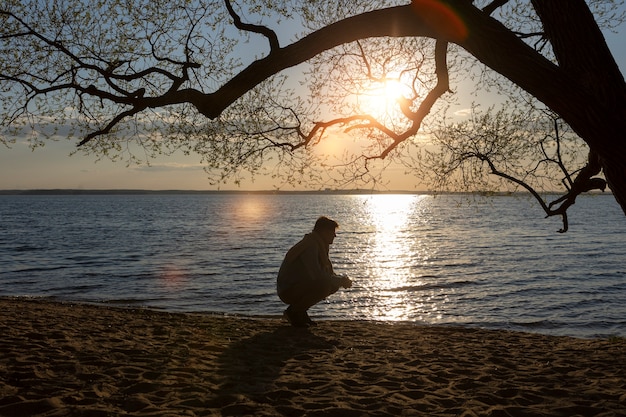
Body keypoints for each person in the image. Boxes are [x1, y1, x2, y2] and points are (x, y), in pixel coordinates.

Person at [277, 216, 352, 327]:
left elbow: (326, 274)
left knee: (332, 284)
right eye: (332, 232)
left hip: (295, 286)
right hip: (288, 289)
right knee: (325, 285)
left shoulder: (317, 244)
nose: (335, 235)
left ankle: (300, 311)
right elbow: (317, 275)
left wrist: (340, 280)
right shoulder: (310, 246)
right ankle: (294, 312)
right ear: (324, 231)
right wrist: (340, 280)